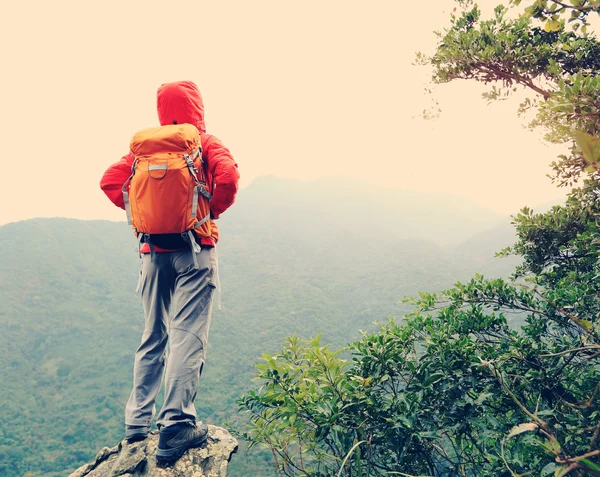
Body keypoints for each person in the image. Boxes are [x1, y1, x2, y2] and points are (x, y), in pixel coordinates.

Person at [100, 81, 240, 463]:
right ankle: (176, 424)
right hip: (195, 251)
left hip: (151, 253)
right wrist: (205, 212)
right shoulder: (203, 142)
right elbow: (227, 178)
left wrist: (145, 214)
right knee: (187, 335)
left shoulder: (145, 148)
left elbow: (110, 181)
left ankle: (136, 425)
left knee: (152, 335)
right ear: (198, 105)